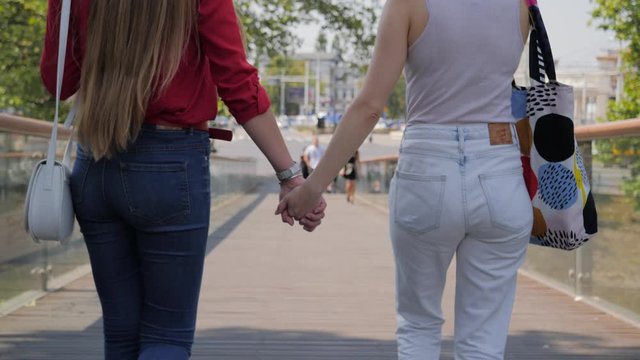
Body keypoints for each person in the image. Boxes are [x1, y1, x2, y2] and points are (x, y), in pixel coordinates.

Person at [40, 0, 325, 358]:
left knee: (120, 334)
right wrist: (291, 177)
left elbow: (57, 81)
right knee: (167, 338)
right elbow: (238, 85)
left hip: (95, 163)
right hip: (169, 166)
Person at [277, 0, 532, 359]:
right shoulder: (520, 5)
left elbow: (370, 106)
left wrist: (312, 187)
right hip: (500, 167)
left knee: (419, 325)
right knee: (483, 343)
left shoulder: (408, 3)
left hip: (428, 166)